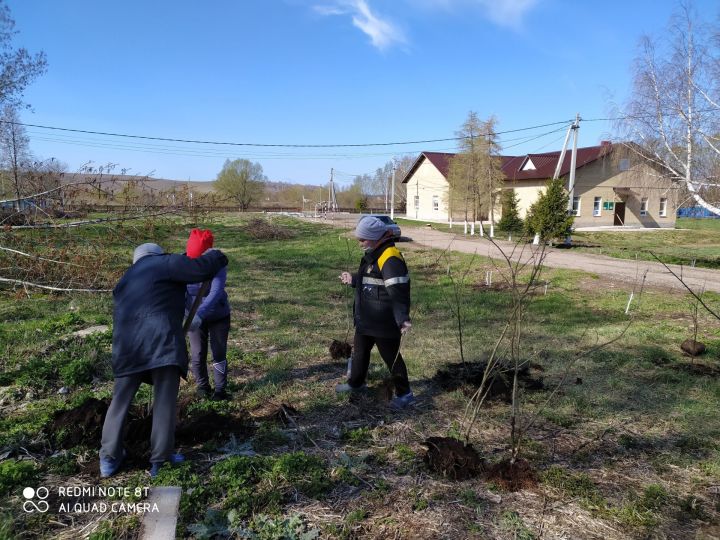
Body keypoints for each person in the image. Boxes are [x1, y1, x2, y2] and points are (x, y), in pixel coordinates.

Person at [99, 242, 228, 478]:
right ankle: (160, 460)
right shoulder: (163, 263)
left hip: (127, 346)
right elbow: (199, 268)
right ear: (156, 254)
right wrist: (216, 256)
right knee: (164, 401)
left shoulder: (126, 279)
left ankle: (108, 458)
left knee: (120, 401)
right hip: (162, 342)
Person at [337, 215, 415, 409]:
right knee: (359, 353)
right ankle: (356, 384)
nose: (360, 243)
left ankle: (405, 394)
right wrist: (354, 279)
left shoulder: (390, 257)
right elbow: (372, 277)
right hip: (367, 318)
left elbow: (398, 291)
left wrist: (402, 319)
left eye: (362, 239)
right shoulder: (374, 253)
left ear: (376, 237)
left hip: (384, 322)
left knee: (392, 358)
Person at [185, 228, 231, 401]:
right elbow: (180, 290)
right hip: (192, 317)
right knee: (197, 353)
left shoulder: (218, 264)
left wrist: (200, 314)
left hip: (218, 315)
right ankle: (202, 387)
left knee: (218, 352)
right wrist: (185, 313)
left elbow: (216, 291)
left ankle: (220, 390)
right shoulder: (184, 262)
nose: (193, 262)